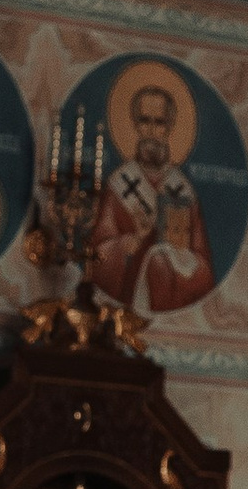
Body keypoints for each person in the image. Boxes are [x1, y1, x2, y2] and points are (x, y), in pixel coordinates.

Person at [86, 74, 215, 312]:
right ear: (135, 125)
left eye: (160, 122)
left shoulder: (184, 192)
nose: (152, 131)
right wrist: (129, 243)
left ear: (170, 127)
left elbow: (204, 270)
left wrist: (179, 260)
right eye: (145, 121)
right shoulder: (119, 185)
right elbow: (97, 255)